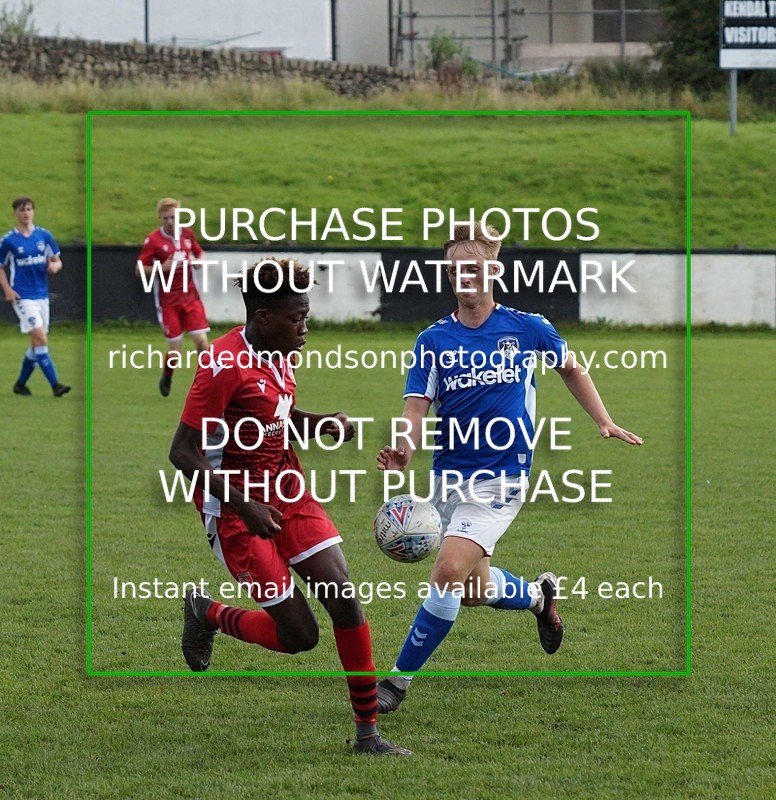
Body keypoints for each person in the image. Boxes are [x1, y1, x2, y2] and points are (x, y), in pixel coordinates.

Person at [375, 223, 643, 713]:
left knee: (446, 572)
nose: (465, 276)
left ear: (493, 270)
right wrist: (403, 450)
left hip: (502, 478)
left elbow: (571, 368)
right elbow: (415, 410)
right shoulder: (432, 340)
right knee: (474, 589)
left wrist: (603, 420)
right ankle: (539, 597)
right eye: (457, 268)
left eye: (474, 268)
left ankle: (394, 684)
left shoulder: (527, 327)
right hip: (447, 478)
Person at [169, 258, 411, 757]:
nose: (305, 327)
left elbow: (276, 417)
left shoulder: (281, 351)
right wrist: (245, 506)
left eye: (305, 315)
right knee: (300, 636)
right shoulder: (221, 366)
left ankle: (368, 735)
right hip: (235, 513)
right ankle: (207, 613)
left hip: (287, 487)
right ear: (262, 317)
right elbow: (183, 454)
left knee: (342, 596)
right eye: (296, 317)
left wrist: (319, 422)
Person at [136, 197, 210, 397]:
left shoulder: (187, 234)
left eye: (174, 217)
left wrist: (198, 261)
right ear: (160, 218)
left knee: (202, 342)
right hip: (168, 301)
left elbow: (200, 255)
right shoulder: (153, 240)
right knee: (175, 350)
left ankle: (208, 383)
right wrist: (160, 267)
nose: (171, 221)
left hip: (190, 297)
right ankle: (167, 375)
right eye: (167, 217)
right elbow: (139, 269)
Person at [0, 196, 70, 397]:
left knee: (36, 343)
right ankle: (55, 385)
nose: (25, 214)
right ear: (15, 213)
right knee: (40, 337)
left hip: (41, 295)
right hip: (23, 296)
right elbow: (1, 267)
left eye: (29, 209)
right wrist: (8, 290)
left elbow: (57, 261)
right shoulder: (9, 241)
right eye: (21, 210)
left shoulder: (44, 236)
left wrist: (54, 266)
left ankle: (20, 384)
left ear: (33, 211)